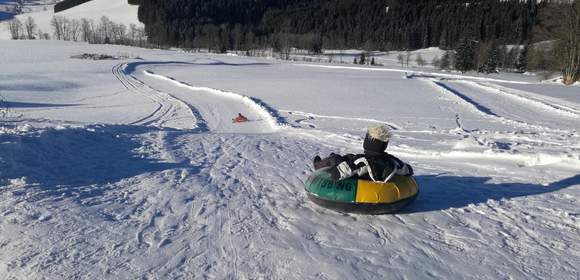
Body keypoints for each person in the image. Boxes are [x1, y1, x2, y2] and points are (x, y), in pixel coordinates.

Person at [313, 124, 413, 182]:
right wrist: (408, 170)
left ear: (368, 143)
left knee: (335, 158)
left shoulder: (362, 161)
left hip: (357, 178)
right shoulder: (392, 160)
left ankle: (318, 165)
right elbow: (407, 170)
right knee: (350, 156)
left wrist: (331, 172)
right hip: (374, 167)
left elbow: (337, 174)